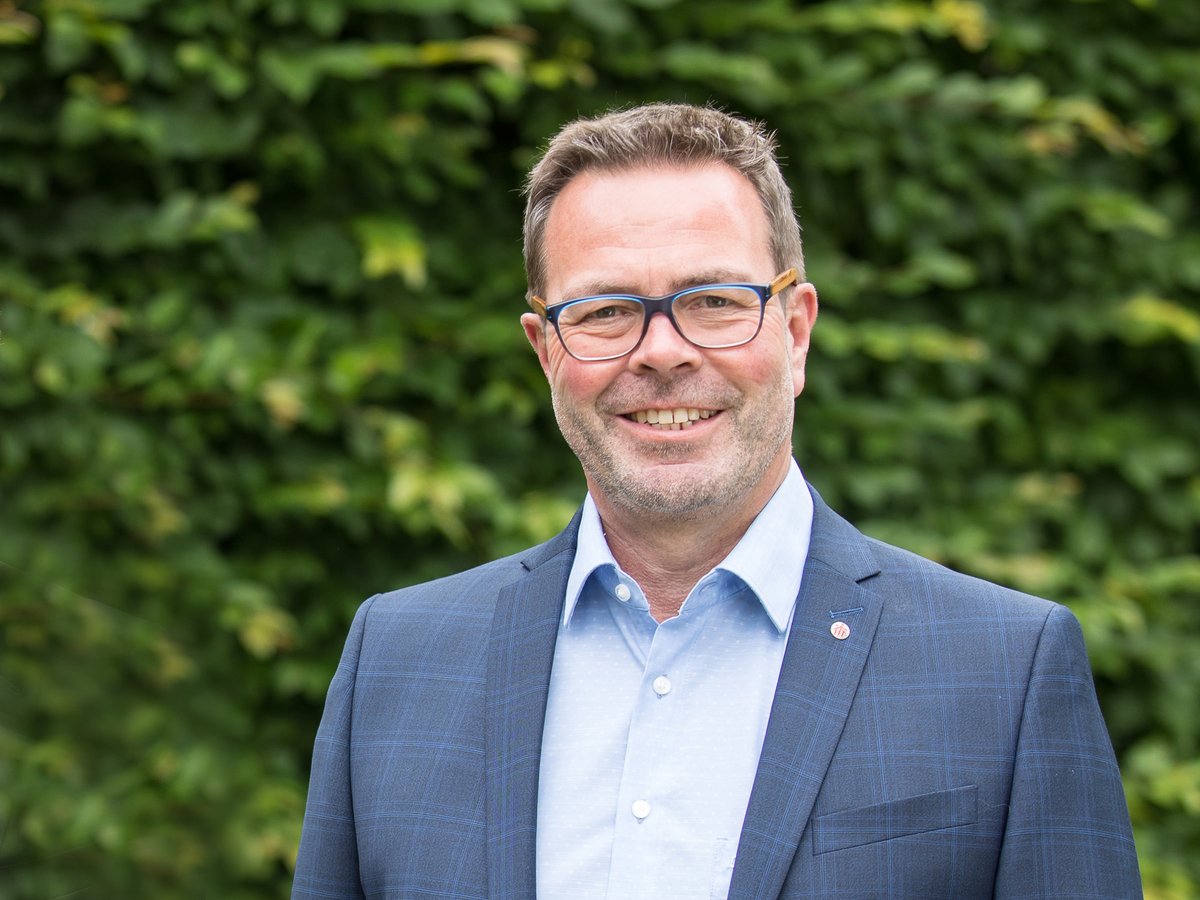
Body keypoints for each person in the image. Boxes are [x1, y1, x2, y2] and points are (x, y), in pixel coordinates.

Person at [292, 103, 1141, 899]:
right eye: (605, 310)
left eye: (713, 302)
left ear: (796, 332)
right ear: (545, 349)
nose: (662, 352)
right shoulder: (397, 661)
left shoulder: (1004, 670)